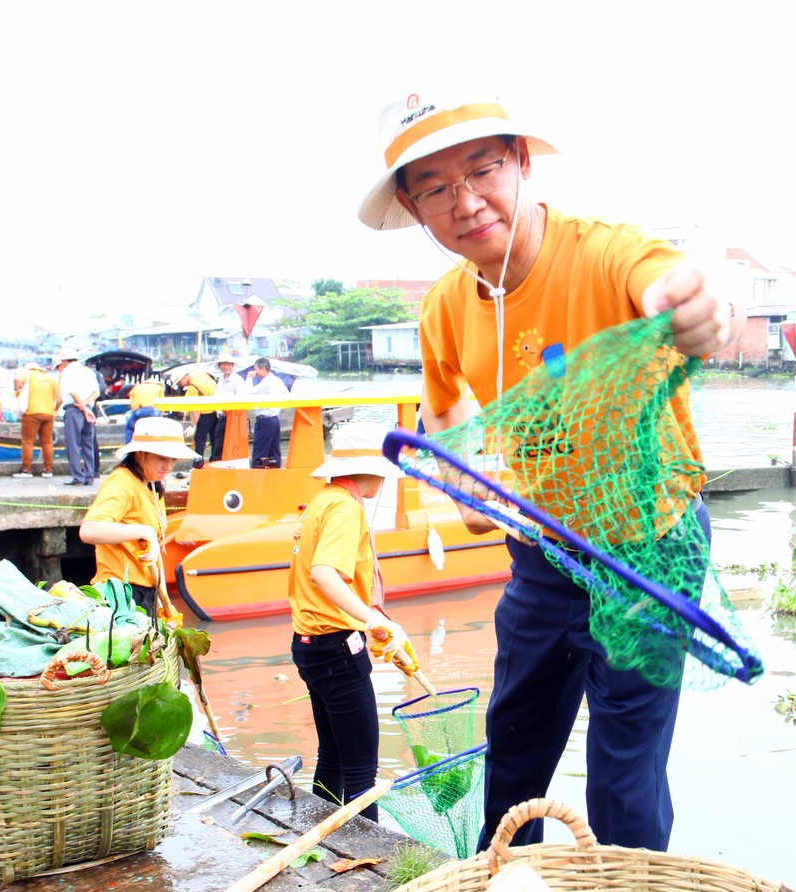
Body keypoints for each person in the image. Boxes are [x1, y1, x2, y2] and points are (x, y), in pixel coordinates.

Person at [359, 90, 737, 851]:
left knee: (625, 780)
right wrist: (461, 480)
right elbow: (444, 412)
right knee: (514, 750)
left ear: (522, 162)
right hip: (541, 552)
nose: (466, 202)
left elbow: (669, 283)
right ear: (413, 205)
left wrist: (699, 307)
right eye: (434, 187)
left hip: (648, 547)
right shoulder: (444, 308)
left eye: (483, 169)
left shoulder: (602, 252)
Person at [288, 423, 417, 820]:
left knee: (333, 755)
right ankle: (370, 861)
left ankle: (323, 836)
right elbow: (324, 572)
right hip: (337, 648)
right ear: (373, 469)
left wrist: (370, 619)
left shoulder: (325, 499)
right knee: (362, 770)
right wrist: (376, 620)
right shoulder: (344, 507)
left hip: (311, 644)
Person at [78, 417, 197, 618]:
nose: (168, 466)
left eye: (172, 459)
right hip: (120, 593)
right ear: (140, 454)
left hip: (144, 591)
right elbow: (89, 530)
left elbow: (154, 550)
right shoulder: (122, 483)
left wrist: (163, 601)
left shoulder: (152, 485)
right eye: (162, 458)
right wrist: (142, 531)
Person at [54, 346, 100, 486]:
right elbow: (96, 392)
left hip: (74, 410)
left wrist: (81, 407)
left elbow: (72, 392)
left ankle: (77, 476)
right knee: (88, 444)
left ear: (64, 361)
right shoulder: (88, 371)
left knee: (73, 444)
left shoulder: (67, 372)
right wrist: (86, 406)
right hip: (88, 408)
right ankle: (89, 476)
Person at [13, 361, 61, 478]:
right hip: (48, 414)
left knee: (28, 441)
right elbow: (59, 400)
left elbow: (17, 378)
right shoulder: (50, 379)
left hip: (32, 413)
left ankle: (26, 470)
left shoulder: (27, 374)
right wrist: (54, 410)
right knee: (47, 441)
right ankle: (48, 470)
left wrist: (17, 389)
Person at [248, 357, 285, 467]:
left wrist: (249, 379)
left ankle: (256, 477)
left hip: (265, 420)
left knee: (259, 452)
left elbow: (248, 393)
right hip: (274, 419)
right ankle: (275, 474)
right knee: (274, 452)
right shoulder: (278, 381)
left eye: (256, 370)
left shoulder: (267, 383)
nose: (256, 373)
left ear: (263, 369)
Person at [178, 365, 217, 465]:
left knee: (200, 438)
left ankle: (198, 461)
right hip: (216, 411)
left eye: (179, 383)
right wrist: (185, 414)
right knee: (214, 438)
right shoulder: (202, 374)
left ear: (183, 377)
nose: (180, 385)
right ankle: (215, 459)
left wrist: (192, 425)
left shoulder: (192, 387)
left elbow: (196, 409)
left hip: (205, 414)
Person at [210, 351, 243, 461]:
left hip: (233, 416)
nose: (226, 367)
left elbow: (241, 399)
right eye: (223, 364)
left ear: (232, 365)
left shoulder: (237, 380)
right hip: (222, 416)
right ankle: (217, 464)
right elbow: (217, 396)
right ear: (220, 366)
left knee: (233, 443)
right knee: (218, 444)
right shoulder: (220, 379)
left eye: (228, 364)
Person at [123, 374, 165, 445]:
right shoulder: (158, 388)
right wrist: (161, 415)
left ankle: (129, 446)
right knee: (156, 429)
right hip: (154, 411)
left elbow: (132, 404)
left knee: (129, 428)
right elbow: (162, 404)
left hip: (140, 410)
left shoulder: (136, 388)